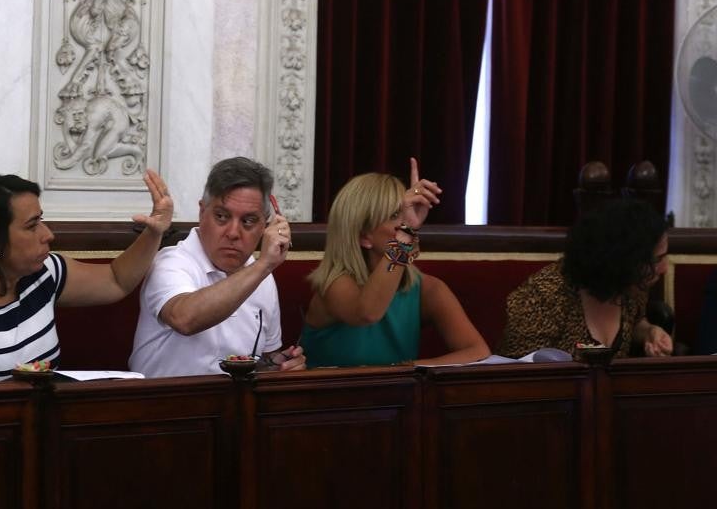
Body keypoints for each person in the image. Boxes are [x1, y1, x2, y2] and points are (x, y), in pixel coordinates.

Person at [0, 169, 173, 383]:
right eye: (31, 225)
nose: (47, 234)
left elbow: (116, 280)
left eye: (42, 220)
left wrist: (154, 232)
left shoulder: (42, 273)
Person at [129, 157, 306, 377]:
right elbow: (185, 319)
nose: (233, 233)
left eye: (248, 221)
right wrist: (262, 266)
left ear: (265, 225)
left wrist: (278, 364)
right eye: (221, 216)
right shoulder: (171, 262)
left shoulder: (263, 275)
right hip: (164, 405)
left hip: (232, 406)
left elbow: (259, 361)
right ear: (202, 212)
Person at [302, 159, 489, 367]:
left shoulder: (427, 288)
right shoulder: (334, 284)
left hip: (397, 397)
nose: (407, 221)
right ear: (364, 236)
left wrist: (409, 369)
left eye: (407, 213)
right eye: (395, 216)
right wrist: (405, 233)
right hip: (332, 397)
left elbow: (478, 351)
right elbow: (367, 313)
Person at [499, 198, 672, 359]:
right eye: (656, 259)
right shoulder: (543, 297)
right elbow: (518, 373)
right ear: (622, 260)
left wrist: (649, 331)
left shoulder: (632, 287)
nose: (665, 268)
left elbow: (635, 322)